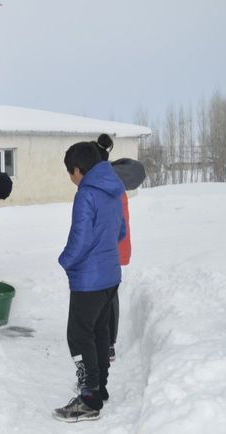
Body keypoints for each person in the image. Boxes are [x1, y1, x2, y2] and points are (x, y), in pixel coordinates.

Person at [53, 141, 126, 422]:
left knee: (79, 336)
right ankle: (99, 389)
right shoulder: (113, 190)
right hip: (110, 275)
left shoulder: (86, 194)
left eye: (70, 173)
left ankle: (88, 400)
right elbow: (120, 232)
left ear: (78, 170)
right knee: (99, 333)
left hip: (89, 279)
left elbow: (80, 239)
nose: (71, 179)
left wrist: (66, 260)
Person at [91, 134, 146, 362]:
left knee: (107, 297)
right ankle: (106, 341)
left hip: (109, 248)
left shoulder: (105, 184)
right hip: (113, 247)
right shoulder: (108, 180)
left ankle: (108, 344)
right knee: (107, 296)